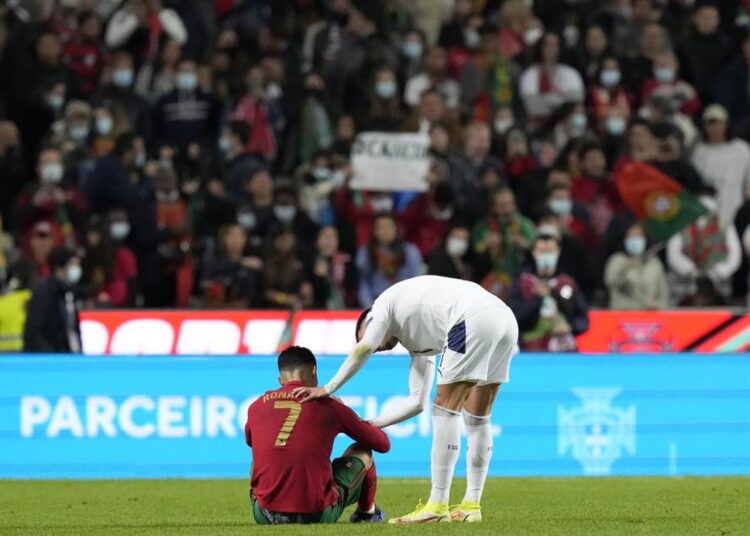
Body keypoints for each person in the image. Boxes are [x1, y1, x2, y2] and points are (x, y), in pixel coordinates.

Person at [293, 275, 519, 524]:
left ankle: (437, 504)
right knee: (477, 419)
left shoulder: (380, 307)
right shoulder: (419, 339)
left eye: (365, 336)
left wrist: (329, 387)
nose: (375, 347)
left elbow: (365, 346)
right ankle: (471, 505)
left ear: (369, 321)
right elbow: (416, 403)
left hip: (470, 318)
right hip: (504, 319)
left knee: (445, 411)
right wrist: (368, 424)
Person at [245, 345, 390, 524]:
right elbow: (383, 444)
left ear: (281, 379)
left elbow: (252, 442)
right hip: (317, 513)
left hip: (264, 515)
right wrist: (348, 413)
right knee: (362, 450)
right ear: (314, 371)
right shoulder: (329, 406)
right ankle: (367, 513)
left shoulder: (256, 406)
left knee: (259, 457)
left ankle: (270, 506)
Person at [507, 234, 589, 352]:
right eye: (542, 251)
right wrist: (537, 299)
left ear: (558, 252)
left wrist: (570, 327)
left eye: (550, 251)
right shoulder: (522, 283)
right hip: (531, 351)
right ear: (534, 252)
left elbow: (583, 319)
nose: (546, 255)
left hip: (565, 350)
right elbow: (514, 319)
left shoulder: (567, 283)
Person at [690, 104, 750, 227]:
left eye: (718, 123)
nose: (714, 128)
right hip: (709, 212)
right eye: (710, 124)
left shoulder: (741, 148)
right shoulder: (699, 152)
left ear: (726, 124)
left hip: (735, 209)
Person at [23, 246, 82, 353]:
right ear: (59, 267)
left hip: (68, 358)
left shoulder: (69, 293)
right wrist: (51, 357)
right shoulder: (43, 293)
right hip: (50, 361)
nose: (77, 268)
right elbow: (33, 332)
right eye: (73, 264)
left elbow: (72, 330)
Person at [356, 214, 422, 306]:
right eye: (381, 228)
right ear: (374, 232)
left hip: (405, 305)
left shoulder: (410, 252)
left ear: (396, 229)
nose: (385, 231)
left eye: (389, 227)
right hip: (376, 305)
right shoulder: (364, 254)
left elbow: (417, 282)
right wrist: (369, 307)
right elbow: (363, 285)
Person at [604, 222, 669, 309]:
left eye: (638, 236)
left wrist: (658, 305)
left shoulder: (654, 262)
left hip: (650, 316)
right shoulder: (617, 260)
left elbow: (663, 291)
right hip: (623, 315)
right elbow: (611, 282)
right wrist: (625, 267)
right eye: (631, 236)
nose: (634, 240)